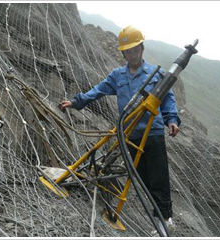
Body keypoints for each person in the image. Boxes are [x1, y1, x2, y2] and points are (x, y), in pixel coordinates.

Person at [60, 25, 180, 236]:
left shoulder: (155, 74)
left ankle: (164, 222)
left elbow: (167, 98)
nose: (132, 55)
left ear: (142, 49)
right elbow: (98, 90)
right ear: (123, 53)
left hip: (152, 135)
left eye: (135, 50)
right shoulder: (117, 76)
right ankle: (158, 217)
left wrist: (172, 119)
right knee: (142, 178)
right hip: (130, 136)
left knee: (158, 178)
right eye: (128, 51)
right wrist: (77, 102)